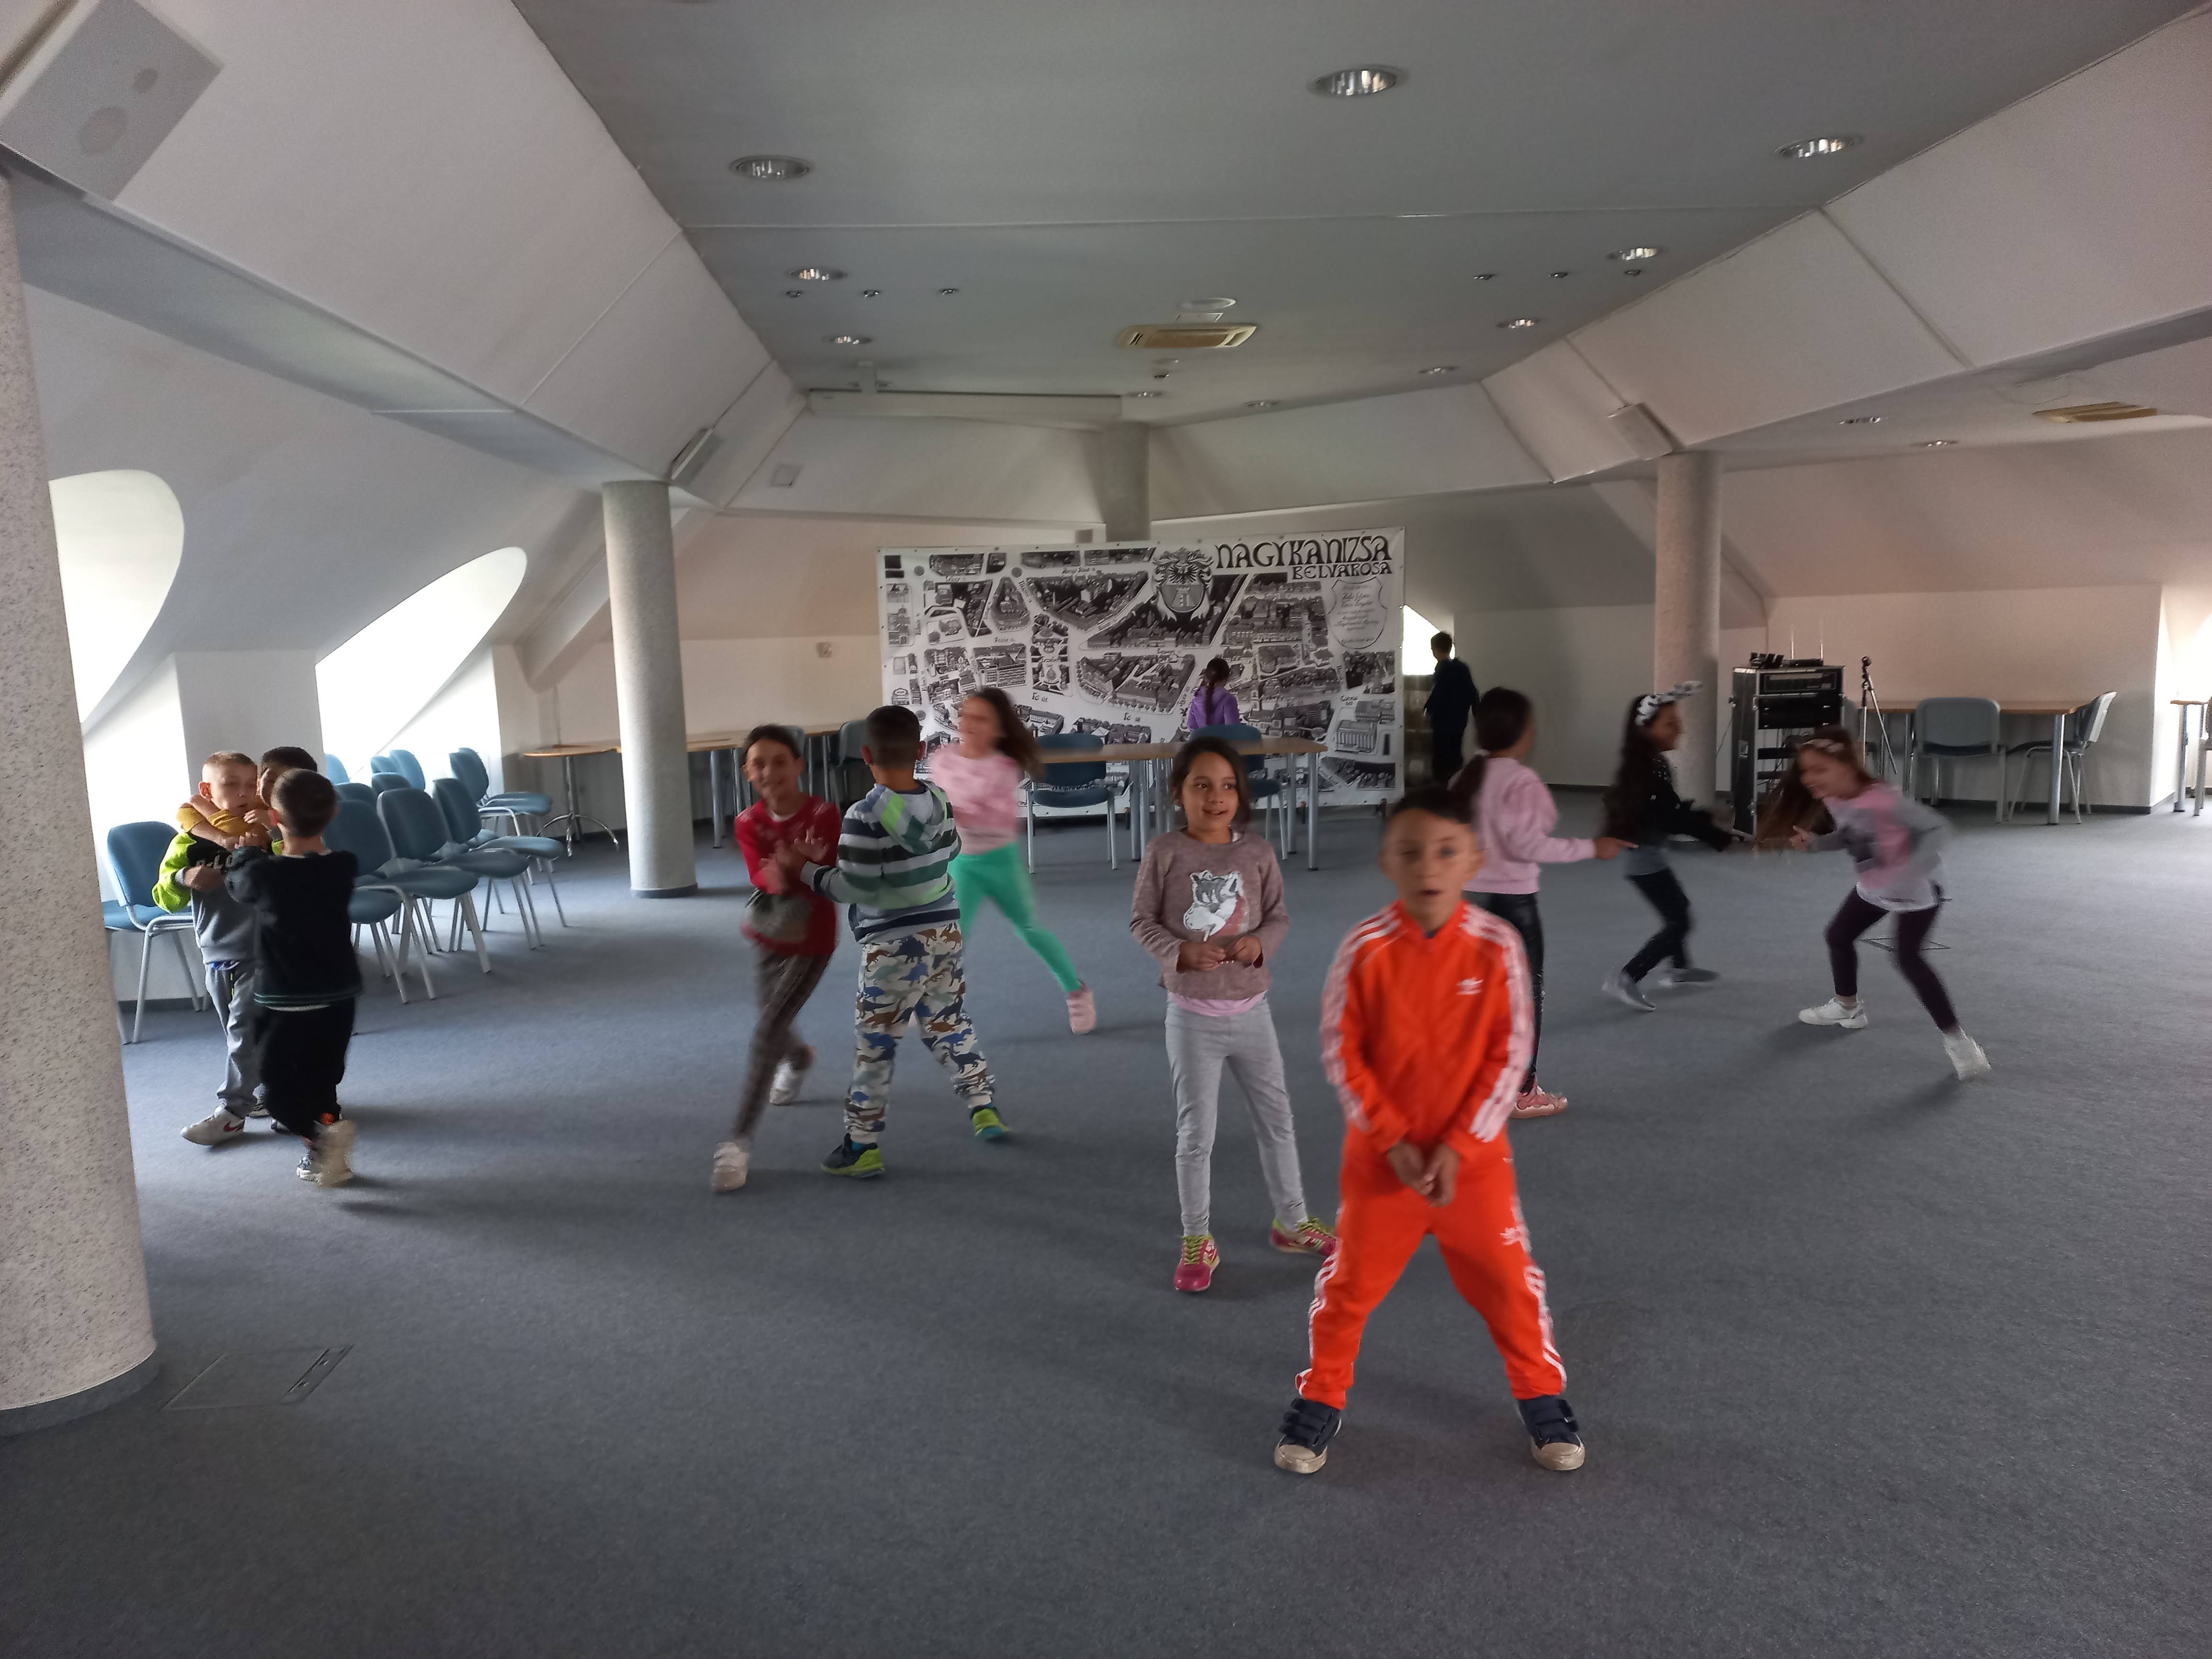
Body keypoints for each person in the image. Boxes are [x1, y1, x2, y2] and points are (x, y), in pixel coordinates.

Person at [1274, 785, 1582, 1477]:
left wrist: (1457, 1146)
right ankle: (1321, 1395)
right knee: (1348, 1289)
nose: (1429, 867)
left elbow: (1510, 1055)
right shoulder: (1365, 948)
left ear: (1474, 859)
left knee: (1509, 1286)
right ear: (1388, 861)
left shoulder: (1497, 946)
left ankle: (1541, 1395)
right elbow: (1343, 1053)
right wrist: (1392, 1140)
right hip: (1383, 1167)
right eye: (1410, 853)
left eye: (1447, 851)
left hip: (1474, 1168)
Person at [1129, 735, 1335, 1294]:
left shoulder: (1258, 853)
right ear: (1179, 792)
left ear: (1240, 795)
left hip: (1252, 1014)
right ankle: (1197, 1237)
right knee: (1195, 1135)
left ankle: (1292, 1221)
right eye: (1201, 785)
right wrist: (1179, 952)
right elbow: (1141, 920)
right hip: (1190, 1018)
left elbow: (1278, 916)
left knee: (1278, 1120)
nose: (1215, 797)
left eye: (1226, 786)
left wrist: (1259, 944)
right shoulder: (1164, 852)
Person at [778, 704, 1002, 1178]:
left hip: (893, 947)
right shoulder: (939, 799)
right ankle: (983, 1104)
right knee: (948, 1021)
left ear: (865, 755)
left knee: (876, 1043)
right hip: (944, 932)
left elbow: (854, 887)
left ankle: (862, 1145)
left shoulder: (862, 815)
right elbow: (953, 849)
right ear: (920, 750)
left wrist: (806, 870)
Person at [1452, 688, 1632, 1117]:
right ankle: (1521, 1091)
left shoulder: (1465, 778)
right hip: (1513, 905)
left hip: (1469, 901)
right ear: (1524, 733)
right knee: (1523, 996)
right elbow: (1527, 845)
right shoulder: (1522, 782)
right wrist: (1592, 848)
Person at [1789, 728, 1992, 1080]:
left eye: (1820, 769)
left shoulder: (1883, 799)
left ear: (1847, 767)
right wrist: (1817, 844)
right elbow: (1852, 834)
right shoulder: (1835, 798)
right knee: (1838, 936)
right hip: (1875, 882)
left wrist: (1910, 866)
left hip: (1917, 887)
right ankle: (1848, 1008)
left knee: (1908, 958)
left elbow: (1936, 828)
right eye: (1806, 771)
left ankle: (1960, 1043)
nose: (1809, 779)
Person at [716, 725, 846, 1192]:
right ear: (748, 773)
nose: (769, 772)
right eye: (759, 764)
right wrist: (794, 863)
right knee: (773, 1018)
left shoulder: (825, 814)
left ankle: (738, 1142)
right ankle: (801, 1057)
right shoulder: (747, 822)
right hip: (769, 934)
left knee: (768, 1028)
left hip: (813, 938)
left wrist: (795, 866)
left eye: (779, 761)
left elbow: (829, 877)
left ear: (798, 765)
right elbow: (764, 879)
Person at [222, 768, 361, 1187]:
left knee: (278, 1093)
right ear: (334, 812)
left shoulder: (265, 873)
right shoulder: (343, 865)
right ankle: (329, 1153)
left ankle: (320, 1138)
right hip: (338, 995)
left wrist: (248, 851)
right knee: (324, 1079)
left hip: (286, 998)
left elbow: (238, 883)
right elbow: (303, 866)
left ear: (275, 818)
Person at [929, 688, 1095, 1034]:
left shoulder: (1003, 769)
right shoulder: (943, 759)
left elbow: (996, 819)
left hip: (999, 861)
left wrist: (952, 811)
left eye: (981, 719)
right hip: (961, 862)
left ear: (999, 730)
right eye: (966, 715)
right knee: (953, 936)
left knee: (1029, 929)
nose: (969, 724)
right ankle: (936, 1001)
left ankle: (1076, 990)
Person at [155, 752, 278, 1141]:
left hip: (265, 951)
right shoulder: (188, 841)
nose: (243, 793)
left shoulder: (267, 834)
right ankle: (271, 1094)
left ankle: (232, 1111)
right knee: (240, 1033)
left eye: (251, 785)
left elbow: (296, 873)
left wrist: (271, 839)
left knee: (244, 1029)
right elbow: (164, 896)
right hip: (218, 953)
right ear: (207, 791)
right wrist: (184, 877)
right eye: (231, 784)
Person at [1599, 684, 1742, 1011]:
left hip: (1647, 856)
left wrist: (1709, 817)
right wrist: (1721, 838)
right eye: (1671, 724)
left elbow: (1671, 812)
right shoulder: (1648, 769)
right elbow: (1674, 819)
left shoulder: (1650, 764)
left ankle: (1679, 968)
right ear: (1646, 729)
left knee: (1678, 910)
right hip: (1644, 862)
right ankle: (1627, 976)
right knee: (1680, 922)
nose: (1680, 730)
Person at [1424, 631, 1478, 785]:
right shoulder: (1462, 668)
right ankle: (1455, 786)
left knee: (1440, 756)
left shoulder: (1442, 669)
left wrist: (1428, 709)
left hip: (1442, 721)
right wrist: (1477, 713)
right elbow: (1472, 692)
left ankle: (1441, 789)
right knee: (1455, 754)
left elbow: (1439, 693)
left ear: (1435, 649)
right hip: (1459, 720)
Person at [1188, 657, 1241, 731]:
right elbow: (1234, 731)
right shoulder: (1228, 700)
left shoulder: (1197, 698)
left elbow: (1192, 727)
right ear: (1228, 677)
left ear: (1206, 677)